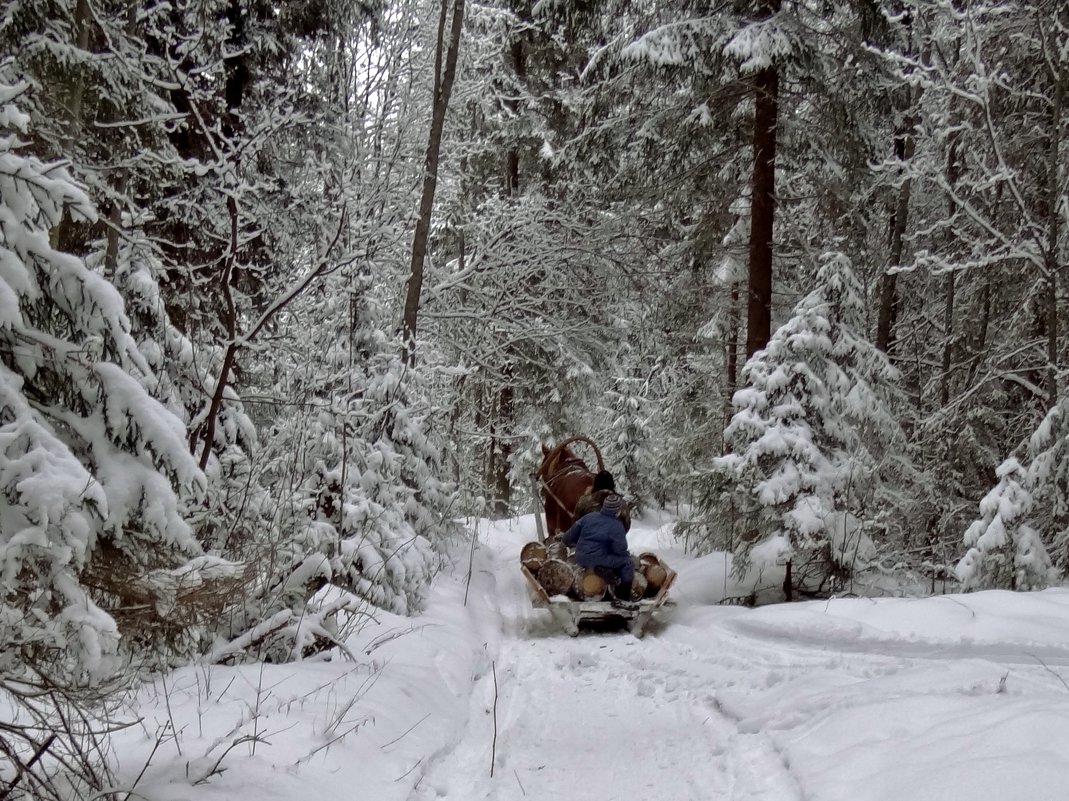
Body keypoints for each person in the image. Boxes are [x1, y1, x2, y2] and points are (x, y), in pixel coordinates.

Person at [562, 492, 635, 605]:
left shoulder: (588, 517)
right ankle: (623, 598)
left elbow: (568, 537)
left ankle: (599, 568)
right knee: (627, 563)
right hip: (599, 558)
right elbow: (619, 550)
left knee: (602, 557)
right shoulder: (616, 525)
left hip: (580, 557)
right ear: (617, 510)